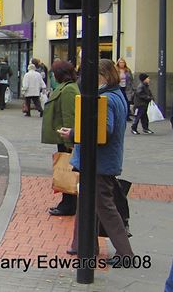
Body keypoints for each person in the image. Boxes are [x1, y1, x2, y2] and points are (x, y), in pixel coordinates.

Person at [61, 58, 133, 264]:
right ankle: (85, 245)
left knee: (105, 208)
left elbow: (103, 132)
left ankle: (125, 253)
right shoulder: (116, 95)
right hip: (102, 162)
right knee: (89, 205)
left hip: (99, 163)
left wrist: (75, 134)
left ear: (103, 76)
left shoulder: (106, 100)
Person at [42, 60, 78, 216]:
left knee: (67, 172)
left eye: (54, 72)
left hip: (66, 138)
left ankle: (68, 205)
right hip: (63, 137)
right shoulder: (65, 87)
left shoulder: (69, 89)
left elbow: (69, 116)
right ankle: (67, 202)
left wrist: (70, 141)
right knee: (65, 170)